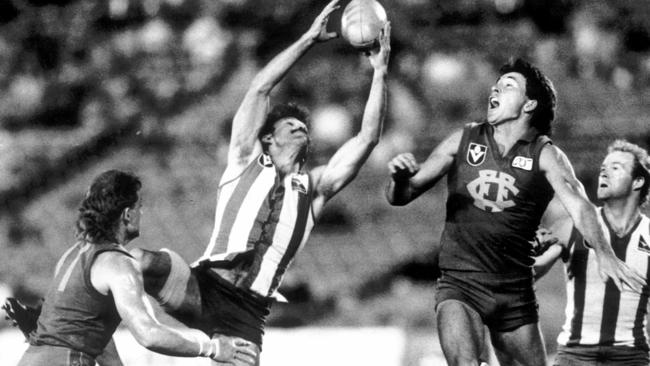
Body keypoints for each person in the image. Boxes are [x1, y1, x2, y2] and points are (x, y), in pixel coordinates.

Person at [129, 0, 391, 363]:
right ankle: (82, 322)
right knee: (136, 260)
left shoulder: (314, 188)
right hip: (203, 285)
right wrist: (309, 40)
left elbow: (367, 139)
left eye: (304, 127)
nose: (301, 128)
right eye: (291, 125)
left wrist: (379, 72)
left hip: (247, 313)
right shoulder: (243, 159)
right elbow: (259, 89)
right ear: (268, 138)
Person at [385, 58, 645, 366]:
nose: (495, 88)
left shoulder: (546, 155)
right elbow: (400, 196)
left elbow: (581, 206)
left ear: (529, 104)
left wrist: (604, 254)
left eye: (508, 85)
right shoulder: (463, 139)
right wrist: (400, 179)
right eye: (497, 84)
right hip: (461, 284)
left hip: (514, 291)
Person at [13, 170, 257, 366]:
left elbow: (100, 344)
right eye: (140, 206)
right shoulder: (119, 263)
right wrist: (212, 348)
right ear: (127, 214)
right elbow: (149, 334)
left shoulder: (71, 255)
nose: (143, 211)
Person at [534, 140, 650, 366]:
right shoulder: (572, 226)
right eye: (603, 168)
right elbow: (531, 272)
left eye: (616, 167)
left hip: (631, 357)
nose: (604, 172)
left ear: (638, 182)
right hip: (576, 355)